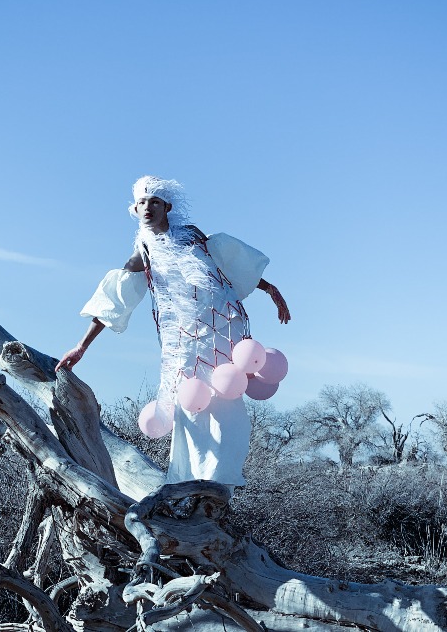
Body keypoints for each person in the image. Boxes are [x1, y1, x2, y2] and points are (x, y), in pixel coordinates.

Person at [57, 176, 290, 486]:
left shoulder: (191, 236)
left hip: (223, 334)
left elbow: (225, 266)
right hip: (184, 345)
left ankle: (220, 484)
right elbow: (115, 299)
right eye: (142, 202)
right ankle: (192, 486)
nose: (147, 207)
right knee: (192, 408)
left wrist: (269, 288)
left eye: (155, 202)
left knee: (227, 408)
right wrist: (81, 346)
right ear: (135, 208)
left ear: (167, 206)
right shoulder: (143, 252)